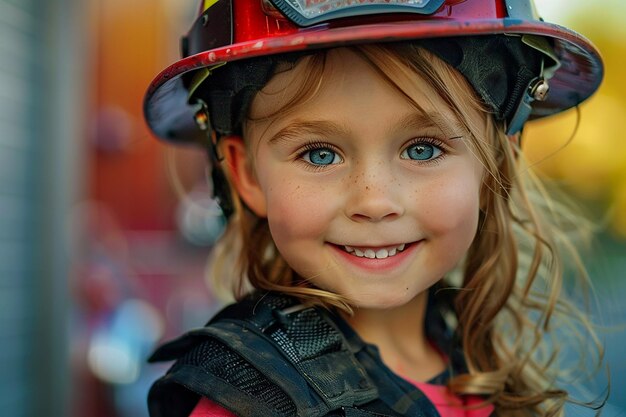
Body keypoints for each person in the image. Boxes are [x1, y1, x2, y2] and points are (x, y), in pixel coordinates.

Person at [143, 1, 606, 416]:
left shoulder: (485, 375)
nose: (374, 202)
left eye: (422, 150)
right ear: (246, 175)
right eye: (319, 154)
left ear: (494, 164)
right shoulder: (246, 399)